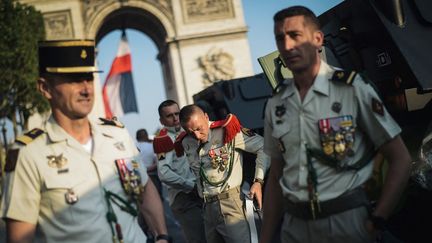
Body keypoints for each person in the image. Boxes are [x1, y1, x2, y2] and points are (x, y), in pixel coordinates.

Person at [259, 6, 411, 243]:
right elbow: (277, 175)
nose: (287, 46)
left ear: (318, 39)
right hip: (294, 228)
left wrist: (378, 219)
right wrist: (266, 237)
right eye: (281, 38)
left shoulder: (352, 89)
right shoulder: (276, 104)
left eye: (295, 35)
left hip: (346, 223)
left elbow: (400, 158)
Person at [0, 40, 171, 243]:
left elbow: (144, 188)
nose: (86, 89)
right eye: (73, 80)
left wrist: (162, 236)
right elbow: (20, 237)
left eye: (88, 78)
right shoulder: (27, 153)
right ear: (45, 88)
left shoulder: (118, 135)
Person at [178, 104, 269, 243]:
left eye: (199, 129)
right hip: (207, 208)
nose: (196, 135)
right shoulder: (186, 141)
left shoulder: (227, 131)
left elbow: (264, 146)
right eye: (191, 132)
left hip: (230, 205)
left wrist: (258, 181)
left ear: (206, 117)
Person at [153, 100, 206, 243]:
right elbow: (163, 173)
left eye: (177, 113)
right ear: (162, 120)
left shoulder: (190, 131)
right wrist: (190, 185)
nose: (175, 118)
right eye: (169, 116)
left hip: (203, 191)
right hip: (184, 197)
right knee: (199, 239)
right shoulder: (163, 140)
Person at [136, 128, 162, 198]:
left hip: (138, 177)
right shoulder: (153, 147)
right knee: (157, 198)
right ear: (147, 136)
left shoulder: (133, 147)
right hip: (152, 176)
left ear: (137, 138)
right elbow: (158, 162)